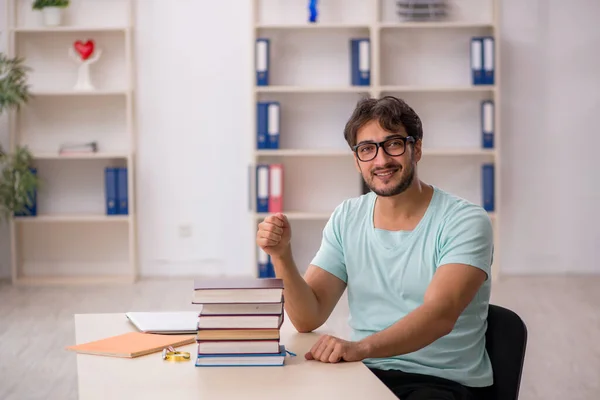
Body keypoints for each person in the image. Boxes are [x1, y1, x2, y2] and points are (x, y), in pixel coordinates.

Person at [256, 96, 494, 400]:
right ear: (357, 161)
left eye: (393, 144)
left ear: (416, 148)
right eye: (367, 149)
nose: (381, 161)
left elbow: (440, 314)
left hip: (441, 382)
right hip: (364, 374)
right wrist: (282, 256)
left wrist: (360, 348)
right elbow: (308, 316)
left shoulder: (465, 220)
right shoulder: (347, 216)